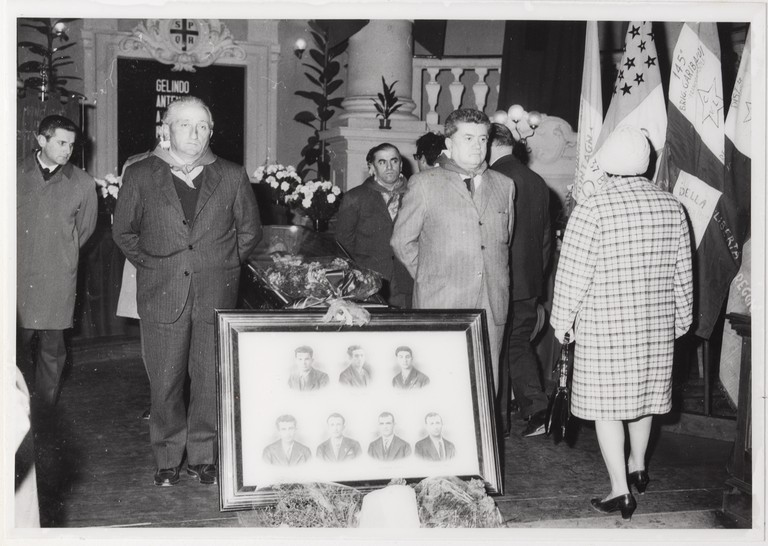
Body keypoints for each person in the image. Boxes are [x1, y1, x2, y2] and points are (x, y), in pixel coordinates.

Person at [113, 96, 262, 487]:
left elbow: (249, 232)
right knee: (165, 381)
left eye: (201, 127)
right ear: (166, 129)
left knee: (210, 377)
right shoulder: (141, 174)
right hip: (162, 292)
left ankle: (202, 456)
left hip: (216, 290)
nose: (194, 134)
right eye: (184, 125)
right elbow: (123, 231)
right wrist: (155, 264)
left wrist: (223, 263)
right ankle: (166, 458)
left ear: (211, 132)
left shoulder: (231, 175)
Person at [550, 126, 693, 520]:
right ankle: (638, 466)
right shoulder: (672, 206)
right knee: (644, 399)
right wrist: (682, 320)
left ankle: (619, 490)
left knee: (607, 407)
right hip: (656, 325)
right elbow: (684, 273)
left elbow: (572, 274)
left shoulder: (593, 207)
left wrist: (562, 321)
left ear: (607, 162)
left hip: (606, 326)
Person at [392, 108, 515, 391]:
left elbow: (502, 241)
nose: (477, 146)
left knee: (485, 386)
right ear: (449, 143)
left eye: (483, 139)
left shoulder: (505, 185)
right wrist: (430, 277)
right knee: (440, 384)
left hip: (490, 303)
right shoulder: (424, 184)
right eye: (468, 138)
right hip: (441, 302)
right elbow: (402, 241)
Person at [17, 115, 98, 411]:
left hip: (57, 279)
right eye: (61, 143)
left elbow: (85, 230)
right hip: (17, 278)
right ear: (41, 140)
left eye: (71, 145)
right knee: (14, 350)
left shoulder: (83, 183)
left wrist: (59, 254)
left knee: (53, 352)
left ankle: (44, 414)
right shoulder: (13, 173)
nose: (67, 150)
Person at [489, 123, 552, 438]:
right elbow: (545, 240)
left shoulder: (493, 179)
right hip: (529, 282)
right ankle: (538, 410)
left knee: (496, 348)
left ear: (490, 144)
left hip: (499, 281)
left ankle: (497, 423)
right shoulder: (538, 181)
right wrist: (536, 281)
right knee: (518, 344)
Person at [335, 143, 413, 308]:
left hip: (407, 279)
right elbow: (343, 242)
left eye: (394, 161)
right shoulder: (355, 197)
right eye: (382, 162)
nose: (389, 167)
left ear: (401, 165)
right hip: (369, 282)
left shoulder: (414, 194)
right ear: (371, 167)